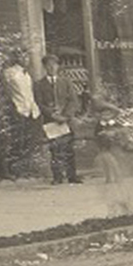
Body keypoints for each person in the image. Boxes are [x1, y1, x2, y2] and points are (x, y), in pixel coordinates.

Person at [34, 56, 82, 185]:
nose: (52, 68)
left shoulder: (65, 82)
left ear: (58, 66)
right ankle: (57, 176)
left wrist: (66, 115)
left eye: (54, 65)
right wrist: (52, 115)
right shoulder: (39, 84)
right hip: (51, 121)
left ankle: (72, 175)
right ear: (45, 67)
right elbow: (39, 103)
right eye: (49, 65)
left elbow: (73, 100)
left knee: (68, 148)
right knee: (55, 149)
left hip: (65, 120)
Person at [1, 52, 45, 181]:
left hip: (32, 111)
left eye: (27, 57)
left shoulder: (27, 74)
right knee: (18, 141)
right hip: (19, 110)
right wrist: (13, 107)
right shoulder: (10, 72)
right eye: (22, 56)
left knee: (30, 142)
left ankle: (26, 170)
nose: (25, 59)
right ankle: (14, 170)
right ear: (17, 57)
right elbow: (7, 91)